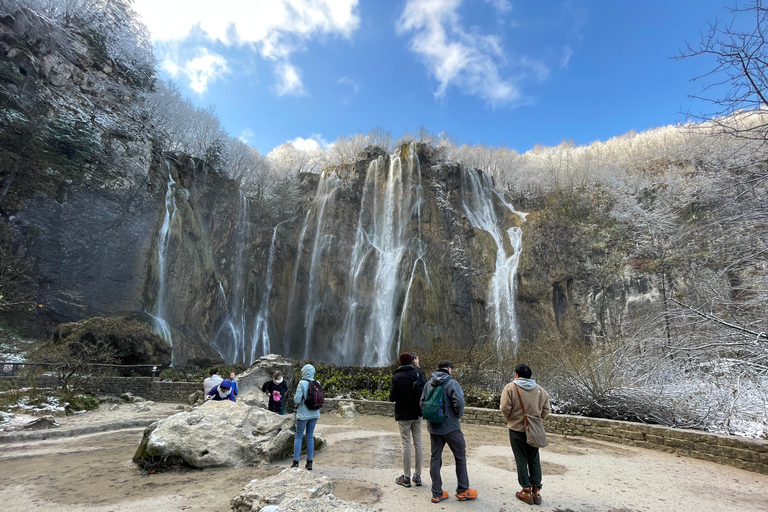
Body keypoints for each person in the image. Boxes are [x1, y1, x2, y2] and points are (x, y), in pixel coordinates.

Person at [419, 360, 477, 503]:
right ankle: (463, 490)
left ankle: (437, 493)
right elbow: (460, 403)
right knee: (460, 455)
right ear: (449, 369)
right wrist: (457, 415)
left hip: (434, 427)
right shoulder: (452, 383)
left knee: (435, 458)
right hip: (451, 427)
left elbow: (421, 403)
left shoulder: (428, 384)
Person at [500, 364, 552, 506]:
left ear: (516, 374)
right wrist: (536, 420)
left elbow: (505, 408)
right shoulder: (541, 390)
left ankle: (526, 491)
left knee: (521, 458)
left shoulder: (510, 388)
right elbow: (546, 410)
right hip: (534, 430)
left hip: (516, 429)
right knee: (534, 458)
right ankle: (536, 491)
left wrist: (511, 418)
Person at [389, 352, 427, 488]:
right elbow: (426, 386)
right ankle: (418, 475)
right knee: (418, 443)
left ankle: (406, 477)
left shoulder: (396, 376)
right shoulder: (417, 374)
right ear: (412, 361)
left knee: (405, 443)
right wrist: (418, 366)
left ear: (400, 362)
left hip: (404, 415)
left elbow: (392, 397)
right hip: (417, 413)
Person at [291, 364, 320, 470]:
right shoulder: (317, 383)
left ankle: (296, 462)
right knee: (309, 437)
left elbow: (297, 400)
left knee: (298, 437)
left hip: (303, 414)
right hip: (315, 414)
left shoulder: (302, 383)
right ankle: (310, 462)